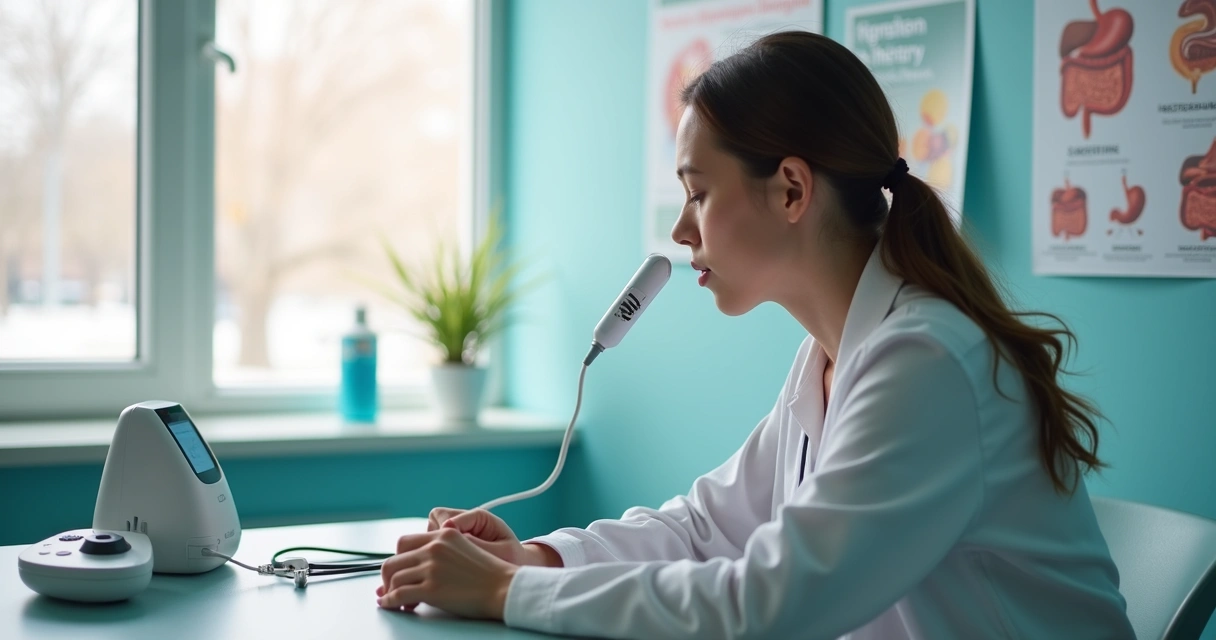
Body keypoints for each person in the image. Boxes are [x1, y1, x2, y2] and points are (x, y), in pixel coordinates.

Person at [375, 31, 1136, 639]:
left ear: (793, 190)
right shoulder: (835, 356)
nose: (680, 230)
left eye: (698, 194)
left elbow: (773, 603)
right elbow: (709, 527)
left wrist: (511, 591)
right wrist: (537, 555)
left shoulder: (925, 362)